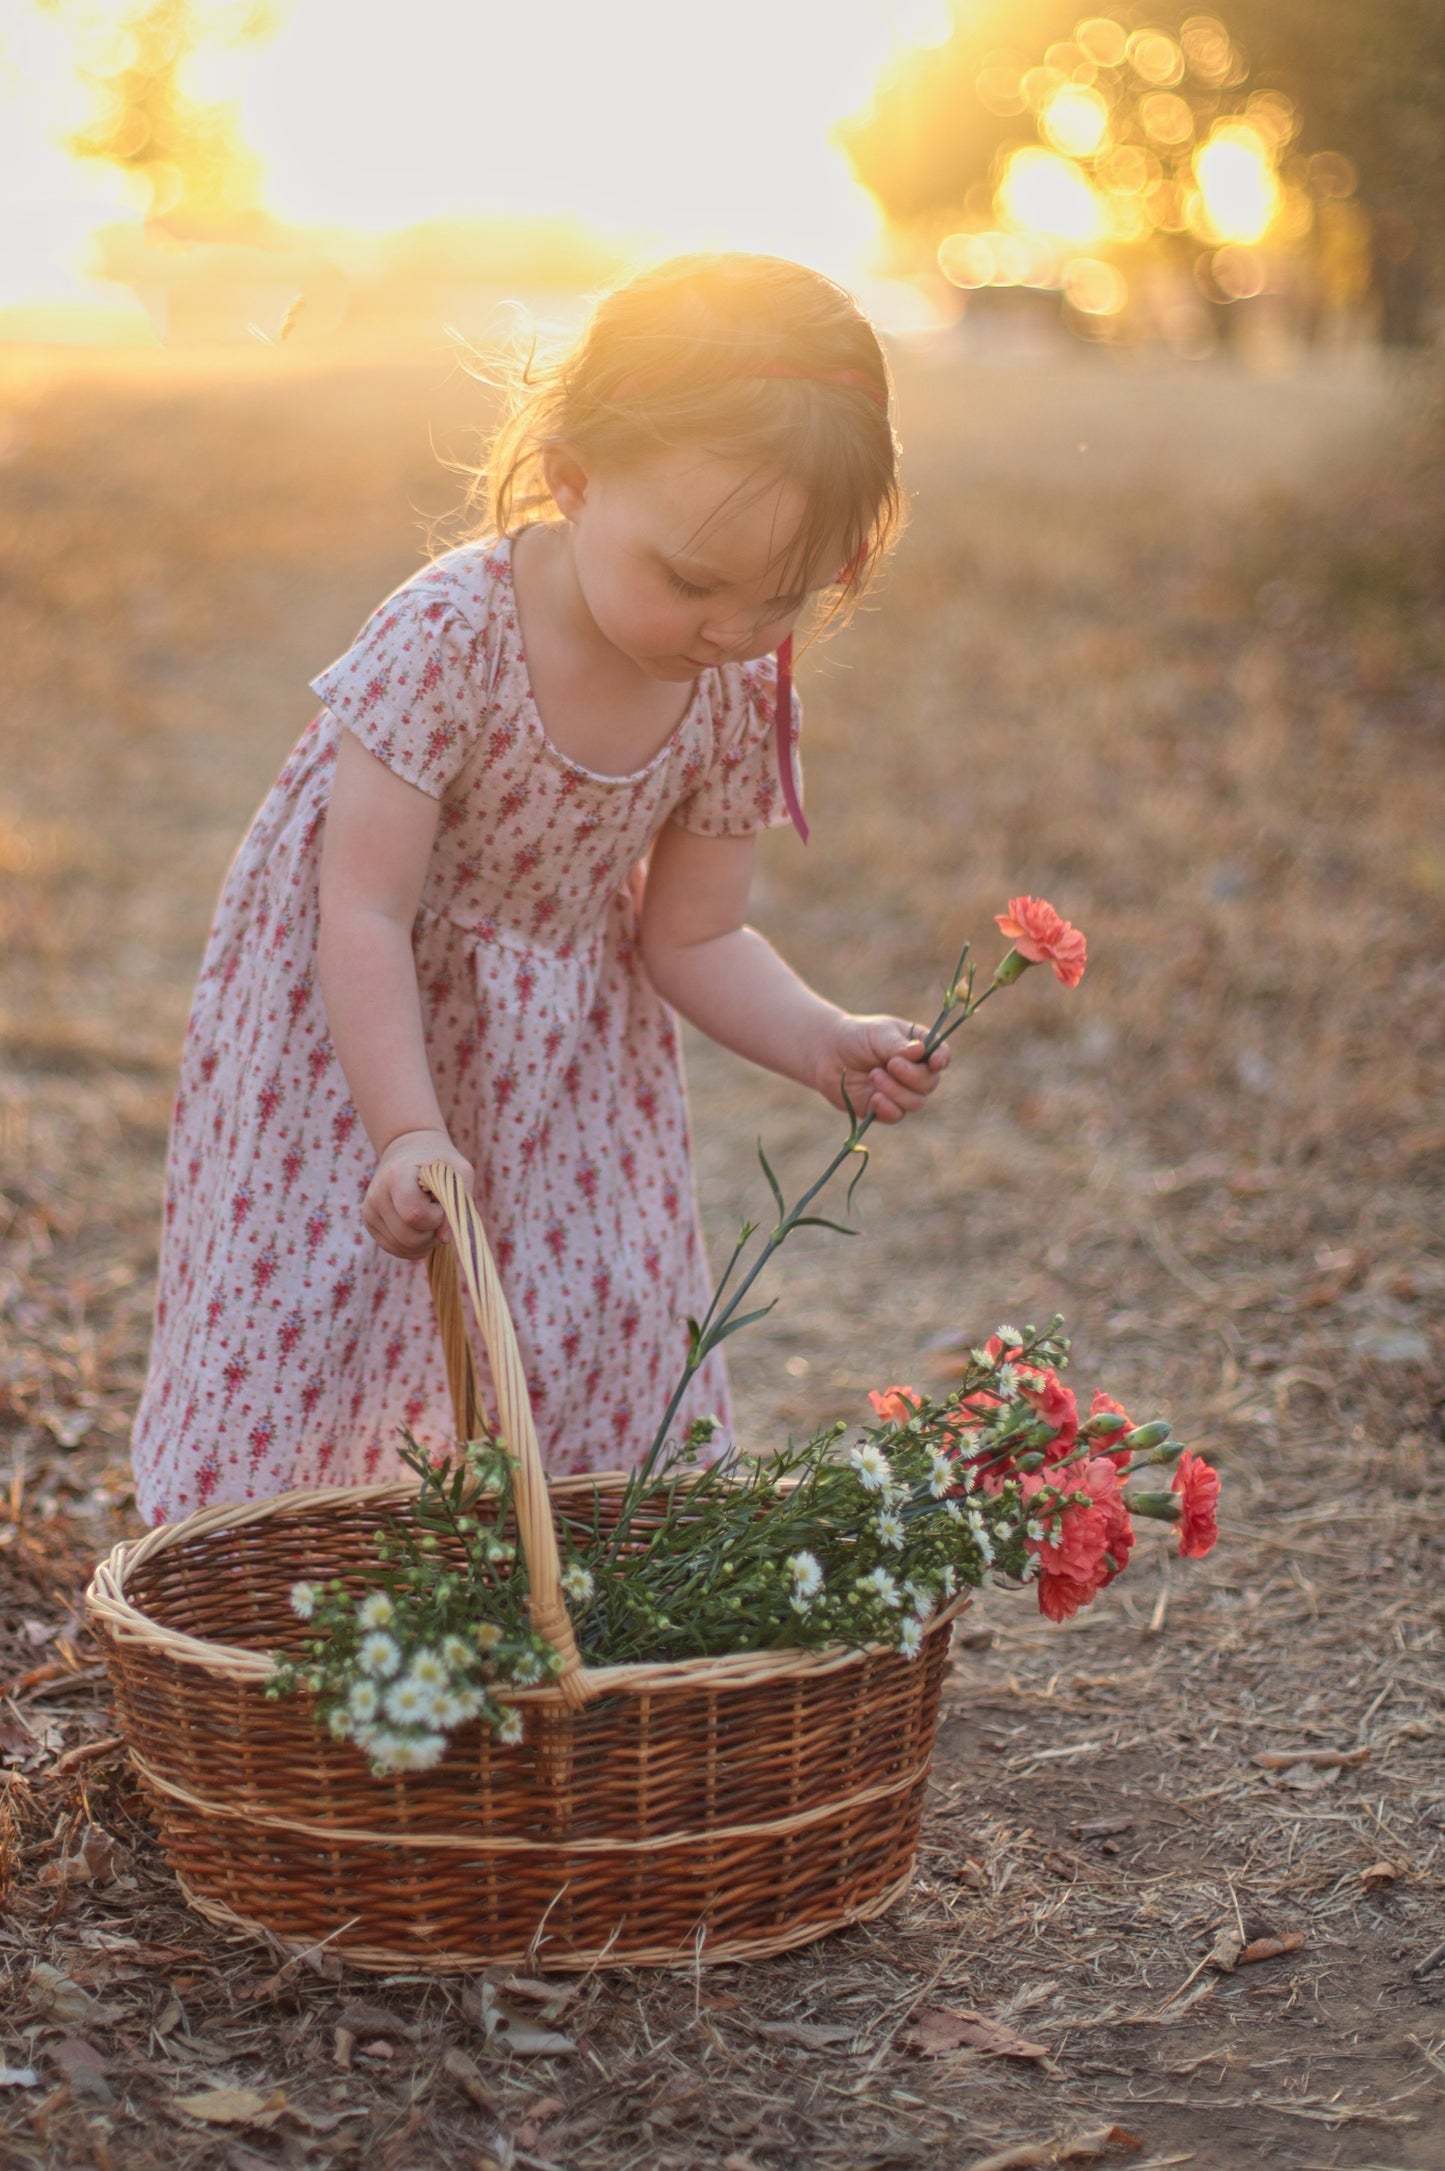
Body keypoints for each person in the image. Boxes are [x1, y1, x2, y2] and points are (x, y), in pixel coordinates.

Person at [131, 253, 950, 1526]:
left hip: (563, 1058)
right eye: (690, 580)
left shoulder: (735, 685)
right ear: (571, 478)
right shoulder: (449, 634)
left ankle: (549, 1582)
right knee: (331, 1302)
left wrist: (821, 1042)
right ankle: (282, 1577)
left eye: (782, 595)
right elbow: (362, 910)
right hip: (360, 1033)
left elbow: (696, 931)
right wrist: (406, 1128)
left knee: (586, 1313)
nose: (730, 627)